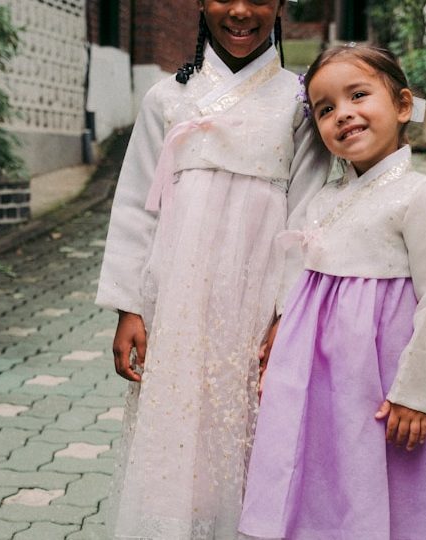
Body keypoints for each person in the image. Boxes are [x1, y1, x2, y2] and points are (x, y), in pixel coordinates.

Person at [239, 45, 426, 540]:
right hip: (321, 374)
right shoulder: (324, 198)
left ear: (402, 105)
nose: (343, 114)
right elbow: (299, 278)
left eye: (358, 95)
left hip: (383, 374)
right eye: (326, 109)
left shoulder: (419, 196)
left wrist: (414, 392)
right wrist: (279, 339)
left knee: (395, 470)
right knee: (330, 465)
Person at [95, 1, 330, 538]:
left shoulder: (299, 101)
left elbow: (308, 213)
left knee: (249, 424)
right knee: (178, 427)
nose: (241, 11)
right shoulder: (167, 98)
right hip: (178, 296)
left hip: (256, 297)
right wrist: (128, 305)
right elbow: (136, 205)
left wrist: (287, 313)